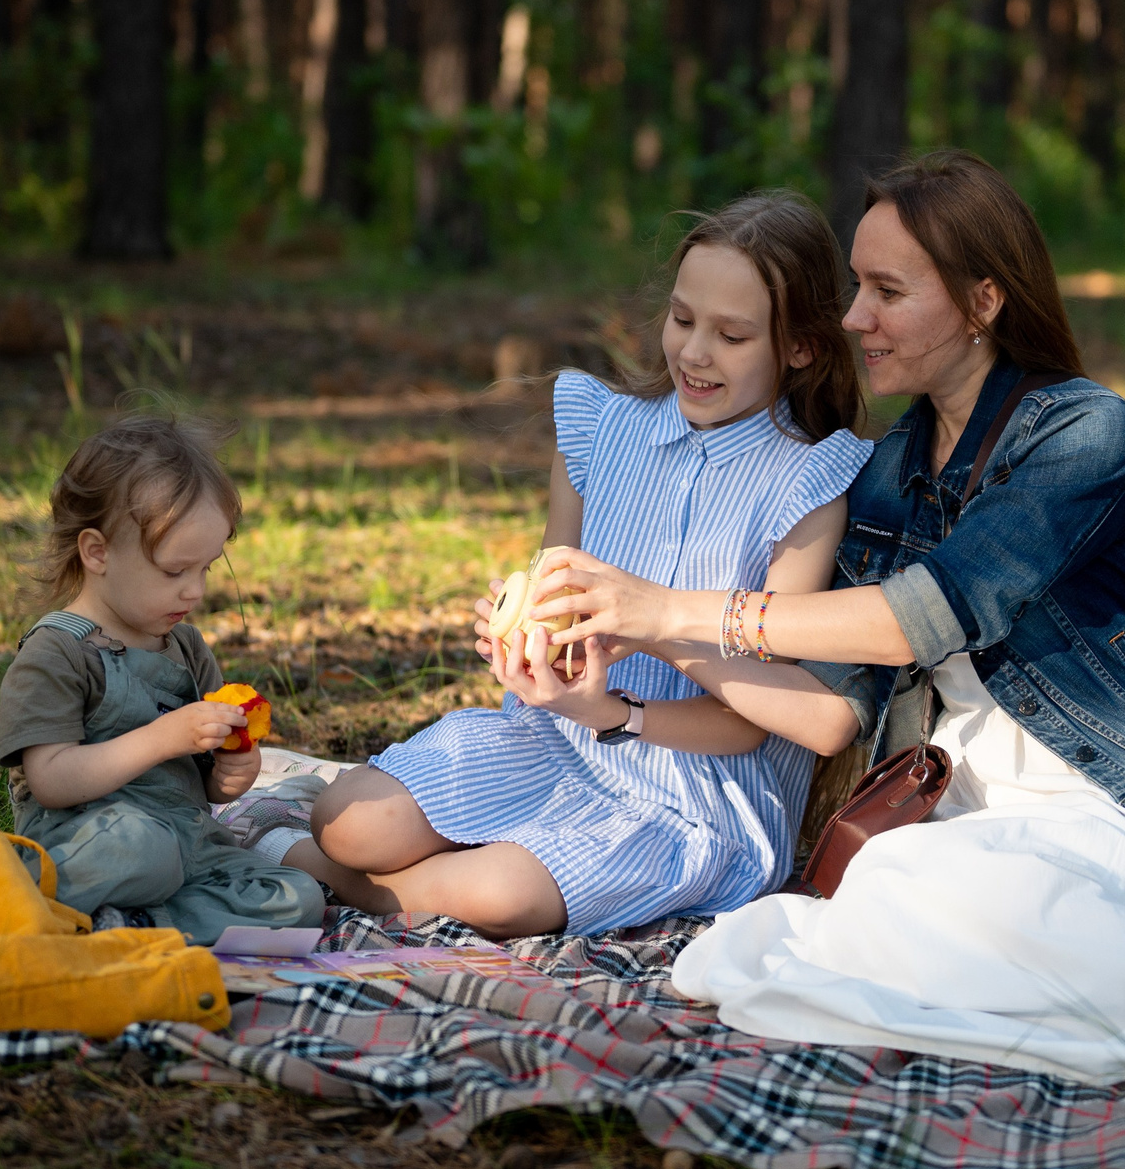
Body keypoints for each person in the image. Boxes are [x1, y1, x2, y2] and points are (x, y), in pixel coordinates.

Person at [525, 151, 1125, 1151]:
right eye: (855, 287)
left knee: (898, 915)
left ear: (982, 300)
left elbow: (930, 610)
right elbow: (838, 700)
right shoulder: (884, 474)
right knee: (828, 920)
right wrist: (614, 688)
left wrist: (678, 611)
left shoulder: (1085, 434)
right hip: (976, 819)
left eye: (886, 290)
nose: (854, 317)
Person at [282, 191, 874, 938]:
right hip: (554, 736)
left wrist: (622, 700)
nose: (694, 352)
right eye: (683, 319)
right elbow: (557, 603)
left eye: (732, 335)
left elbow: (752, 725)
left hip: (693, 789)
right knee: (349, 819)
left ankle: (334, 879)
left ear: (800, 347)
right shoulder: (602, 429)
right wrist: (530, 644)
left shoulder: (806, 484)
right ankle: (348, 859)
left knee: (502, 895)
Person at [0, 414, 326, 943]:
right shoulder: (56, 651)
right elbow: (51, 781)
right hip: (94, 841)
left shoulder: (187, 649)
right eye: (175, 571)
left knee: (299, 900)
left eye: (206, 569)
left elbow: (205, 787)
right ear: (97, 552)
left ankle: (127, 928)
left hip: (189, 843)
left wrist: (233, 767)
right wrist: (161, 739)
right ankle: (8, 896)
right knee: (143, 850)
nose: (194, 591)